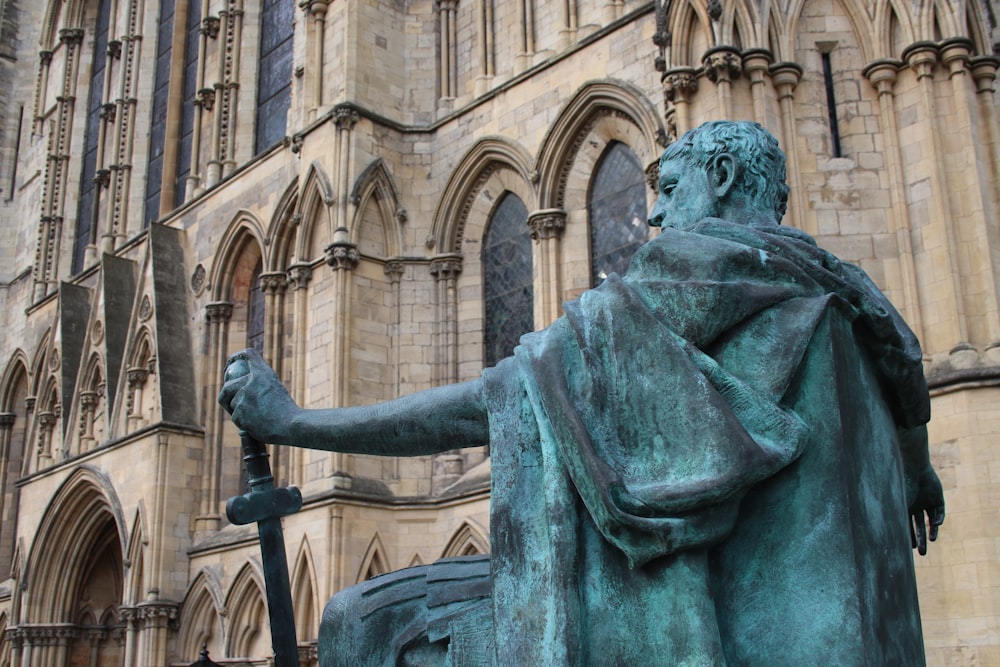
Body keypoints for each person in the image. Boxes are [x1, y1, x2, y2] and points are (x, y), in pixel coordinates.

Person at [220, 121, 944, 666]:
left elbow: (488, 403)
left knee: (360, 619)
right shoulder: (852, 300)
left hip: (699, 619)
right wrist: (918, 469)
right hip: (807, 622)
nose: (656, 217)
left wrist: (295, 421)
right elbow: (910, 388)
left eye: (668, 187)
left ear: (721, 174)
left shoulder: (699, 274)